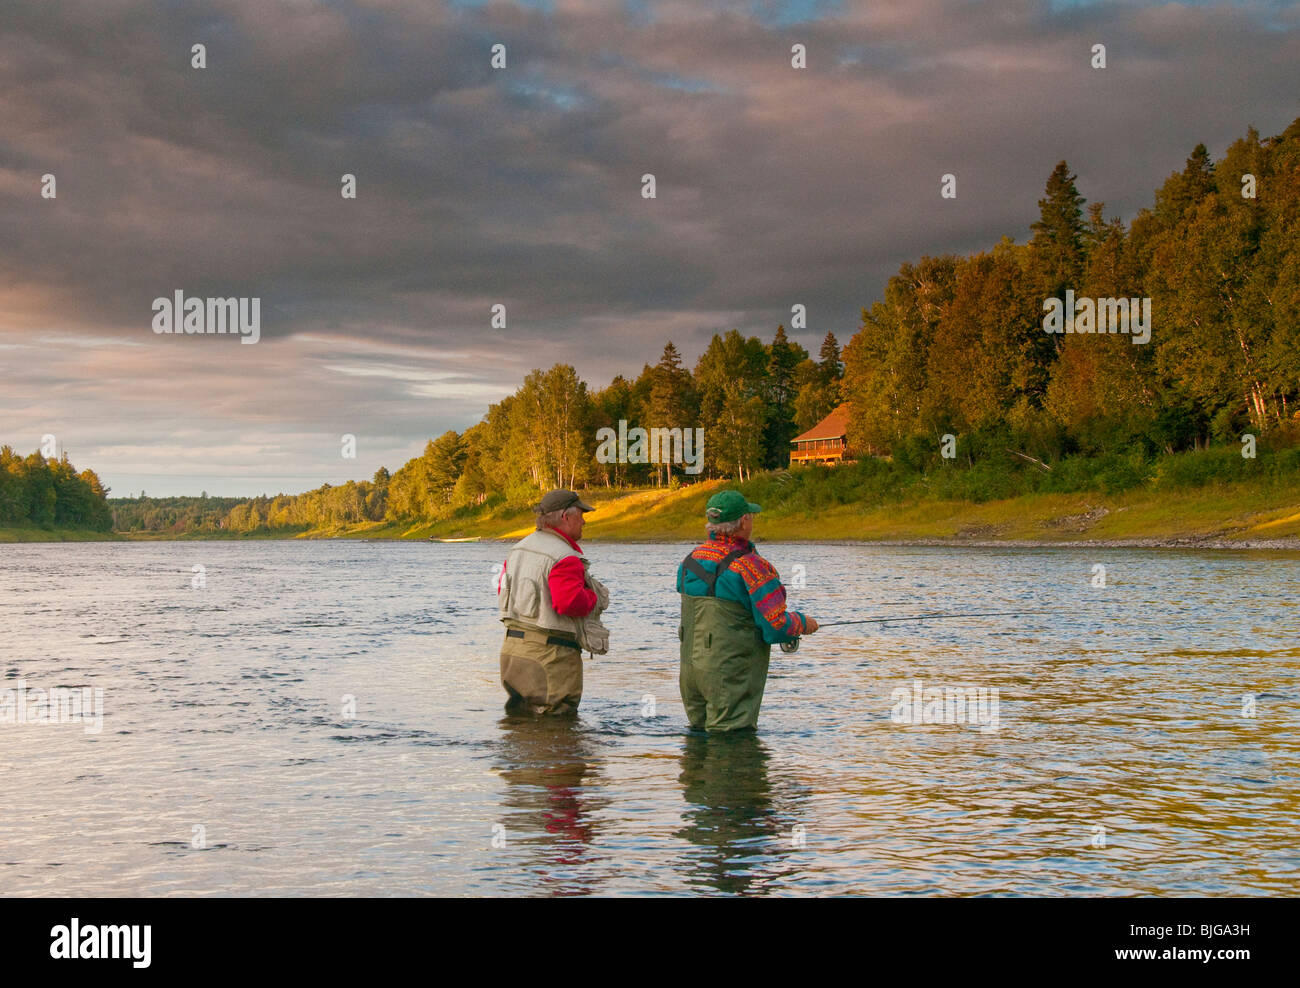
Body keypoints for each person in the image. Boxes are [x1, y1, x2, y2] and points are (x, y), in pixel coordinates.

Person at [676, 490, 817, 732]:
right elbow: (776, 627)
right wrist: (802, 623)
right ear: (743, 521)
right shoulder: (752, 567)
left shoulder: (690, 561)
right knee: (731, 743)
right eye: (750, 515)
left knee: (697, 746)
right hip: (730, 675)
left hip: (691, 672)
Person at [496, 489, 610, 715]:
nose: (584, 521)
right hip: (549, 657)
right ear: (565, 517)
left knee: (520, 727)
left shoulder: (519, 548)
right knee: (556, 727)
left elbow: (502, 589)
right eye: (581, 514)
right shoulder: (566, 557)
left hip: (512, 652)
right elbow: (569, 603)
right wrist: (592, 595)